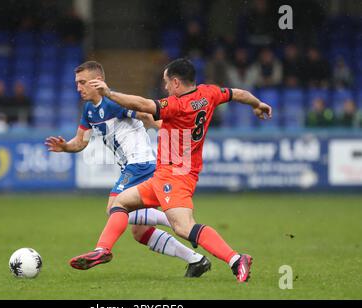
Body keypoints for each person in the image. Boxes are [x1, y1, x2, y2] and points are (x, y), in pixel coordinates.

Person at [70, 58, 272, 283]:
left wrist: (109, 93)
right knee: (120, 203)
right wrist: (257, 103)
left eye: (166, 82)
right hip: (165, 174)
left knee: (184, 227)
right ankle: (103, 250)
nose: (165, 87)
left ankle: (236, 259)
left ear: (176, 82)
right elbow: (237, 93)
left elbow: (142, 104)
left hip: (175, 177)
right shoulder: (209, 92)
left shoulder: (176, 105)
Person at [45, 61, 210, 277]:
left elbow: (144, 115)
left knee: (114, 207)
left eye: (83, 82)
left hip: (140, 164)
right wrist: (65, 147)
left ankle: (106, 248)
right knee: (140, 232)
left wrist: (168, 127)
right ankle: (196, 260)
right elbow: (81, 142)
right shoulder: (89, 111)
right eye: (77, 83)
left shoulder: (114, 103)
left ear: (98, 82)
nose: (79, 87)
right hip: (134, 166)